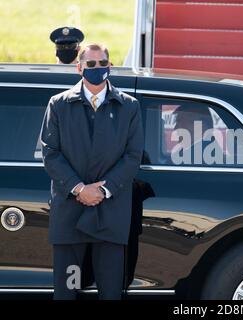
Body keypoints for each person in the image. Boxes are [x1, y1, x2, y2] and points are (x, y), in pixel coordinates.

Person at [39, 43, 144, 300]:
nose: (97, 69)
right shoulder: (59, 105)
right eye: (91, 64)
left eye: (102, 63)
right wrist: (79, 189)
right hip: (70, 214)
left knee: (110, 293)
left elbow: (133, 157)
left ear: (110, 66)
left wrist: (103, 190)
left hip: (110, 213)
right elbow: (50, 153)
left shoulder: (128, 106)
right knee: (67, 291)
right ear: (79, 68)